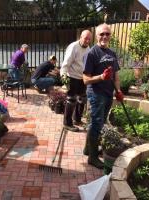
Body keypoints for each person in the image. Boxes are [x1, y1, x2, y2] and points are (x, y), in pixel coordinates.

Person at [82, 23, 124, 169]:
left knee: (99, 123)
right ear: (97, 36)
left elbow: (116, 76)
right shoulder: (91, 54)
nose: (105, 36)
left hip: (108, 94)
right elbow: (86, 80)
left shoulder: (112, 54)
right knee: (96, 124)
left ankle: (88, 149)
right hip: (96, 94)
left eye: (107, 34)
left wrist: (118, 91)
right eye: (102, 34)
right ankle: (93, 158)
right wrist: (101, 77)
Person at [60, 30, 92, 132]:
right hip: (72, 77)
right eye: (85, 38)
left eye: (89, 39)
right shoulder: (73, 47)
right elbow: (66, 63)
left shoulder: (88, 48)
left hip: (82, 78)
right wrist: (64, 76)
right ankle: (67, 123)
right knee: (71, 100)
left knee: (82, 99)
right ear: (80, 37)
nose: (87, 41)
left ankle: (77, 119)